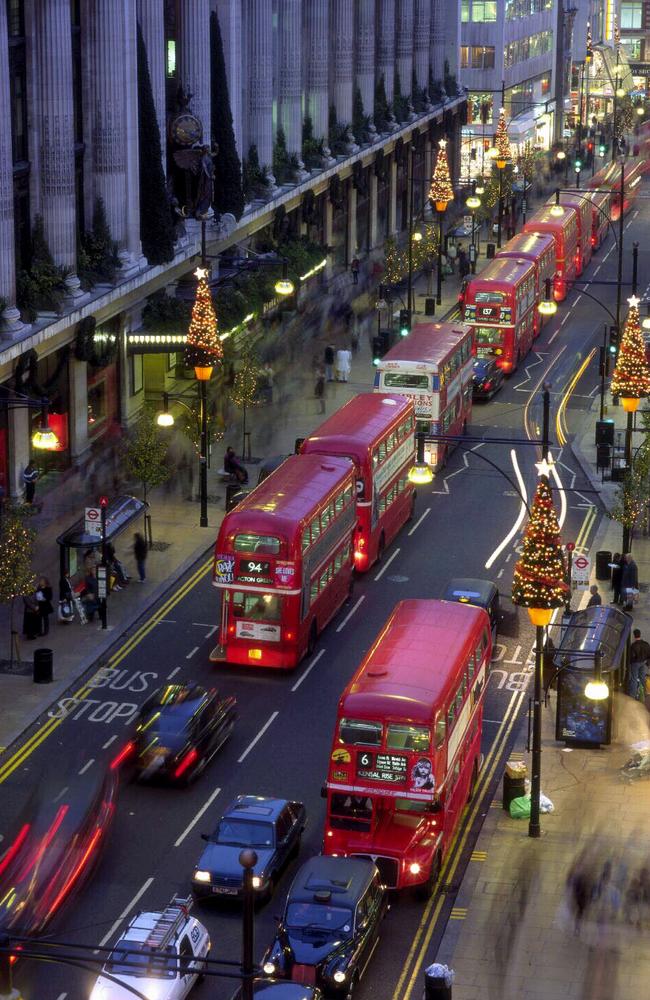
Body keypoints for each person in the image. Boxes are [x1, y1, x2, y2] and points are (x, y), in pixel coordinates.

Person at [628, 628, 650, 698]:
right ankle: (645, 692)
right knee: (642, 677)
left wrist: (630, 663)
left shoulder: (633, 645)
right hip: (643, 662)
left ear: (634, 635)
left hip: (635, 663)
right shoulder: (646, 644)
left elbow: (631, 656)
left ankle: (632, 695)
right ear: (640, 634)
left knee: (634, 678)